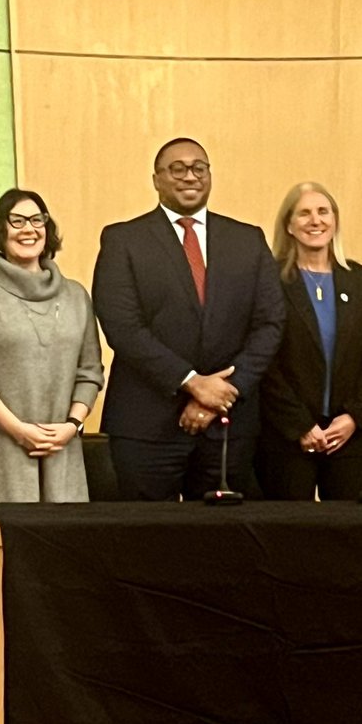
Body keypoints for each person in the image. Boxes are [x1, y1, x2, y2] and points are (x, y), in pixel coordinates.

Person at [92, 137, 285, 500]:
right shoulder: (123, 240)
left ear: (209, 175)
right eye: (176, 169)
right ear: (157, 179)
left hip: (229, 424)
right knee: (148, 542)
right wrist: (192, 383)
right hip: (146, 426)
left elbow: (270, 324)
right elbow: (122, 326)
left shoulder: (248, 240)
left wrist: (222, 394)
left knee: (220, 547)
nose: (189, 176)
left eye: (199, 167)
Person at [0, 189, 104, 551]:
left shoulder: (77, 296)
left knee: (61, 564)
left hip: (61, 447)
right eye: (16, 220)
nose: (27, 229)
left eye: (37, 220)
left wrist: (71, 427)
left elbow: (91, 370)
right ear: (0, 231)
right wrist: (18, 430)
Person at [256, 182, 362, 500]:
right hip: (287, 436)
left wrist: (354, 417)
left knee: (345, 538)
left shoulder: (358, 278)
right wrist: (299, 424)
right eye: (304, 213)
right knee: (287, 538)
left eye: (323, 212)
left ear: (335, 220)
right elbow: (264, 360)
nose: (316, 221)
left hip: (348, 436)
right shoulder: (270, 280)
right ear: (289, 224)